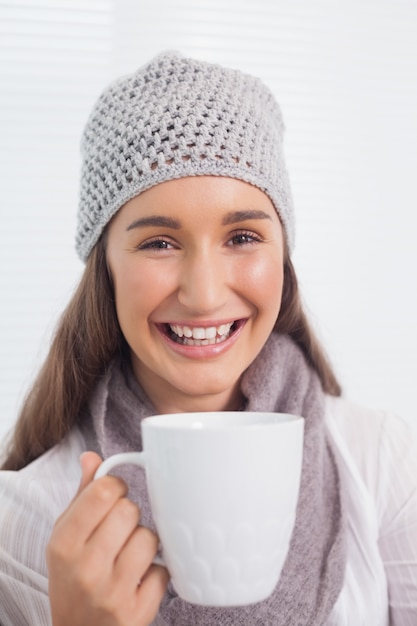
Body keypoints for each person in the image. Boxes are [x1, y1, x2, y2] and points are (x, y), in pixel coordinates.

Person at [0, 51, 416, 626]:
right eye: (159, 243)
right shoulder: (23, 520)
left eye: (243, 236)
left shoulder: (381, 463)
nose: (203, 293)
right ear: (106, 270)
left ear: (283, 258)